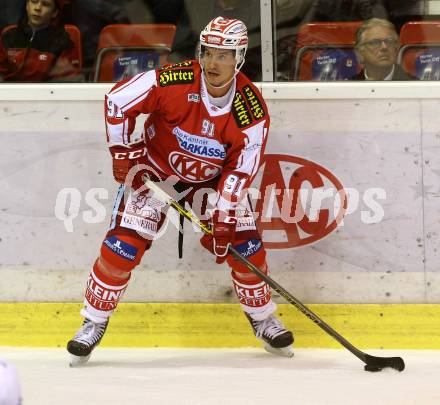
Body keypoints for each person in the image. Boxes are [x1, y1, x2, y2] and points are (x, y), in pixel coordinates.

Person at [67, 16, 294, 366]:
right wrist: (123, 151)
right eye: (208, 53)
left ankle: (263, 318)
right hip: (155, 173)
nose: (212, 63)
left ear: (240, 58)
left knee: (246, 249)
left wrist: (225, 212)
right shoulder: (174, 79)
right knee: (121, 248)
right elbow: (117, 102)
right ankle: (93, 322)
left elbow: (243, 166)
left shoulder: (250, 108)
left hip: (213, 185)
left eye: (223, 55)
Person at [0, 0, 79, 82]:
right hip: (10, 92)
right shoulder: (8, 35)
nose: (37, 8)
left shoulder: (62, 42)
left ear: (54, 13)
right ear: (27, 6)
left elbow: (66, 82)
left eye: (45, 4)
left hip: (46, 93)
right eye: (34, 2)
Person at [350, 18, 416, 80]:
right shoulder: (349, 87)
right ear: (359, 53)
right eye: (375, 42)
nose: (384, 47)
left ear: (396, 48)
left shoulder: (414, 86)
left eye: (389, 41)